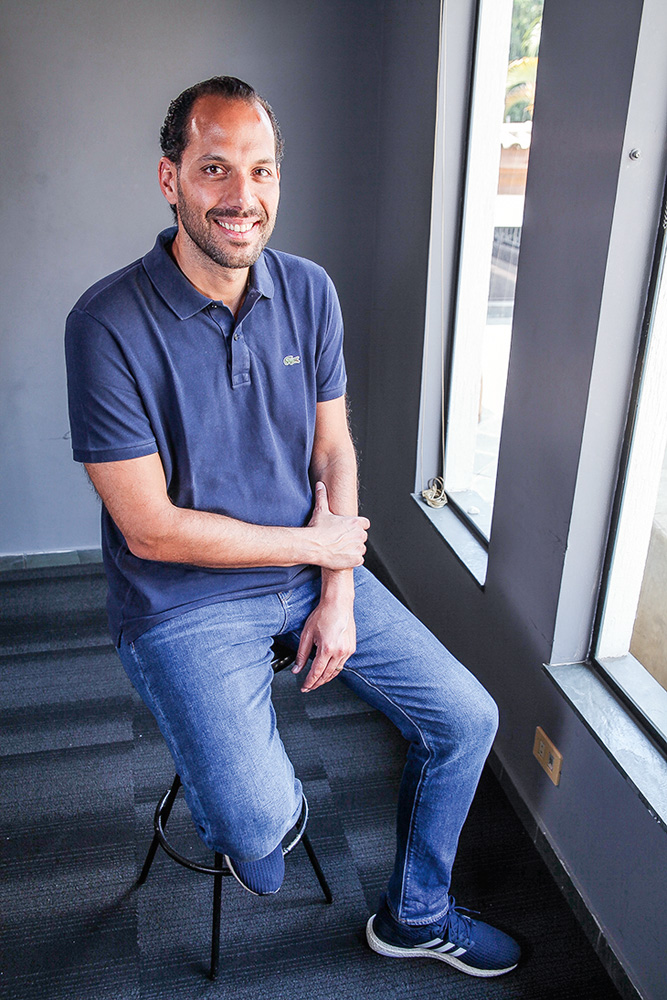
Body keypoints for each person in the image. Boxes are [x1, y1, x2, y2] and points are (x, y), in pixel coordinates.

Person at [65, 76, 520, 979]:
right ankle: (247, 778)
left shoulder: (308, 291)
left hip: (310, 572)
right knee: (260, 841)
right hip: (179, 600)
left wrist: (339, 592)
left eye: (262, 170)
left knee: (468, 718)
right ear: (171, 180)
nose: (243, 196)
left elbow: (333, 451)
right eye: (215, 169)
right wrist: (319, 548)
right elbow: (151, 531)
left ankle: (415, 914)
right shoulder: (106, 323)